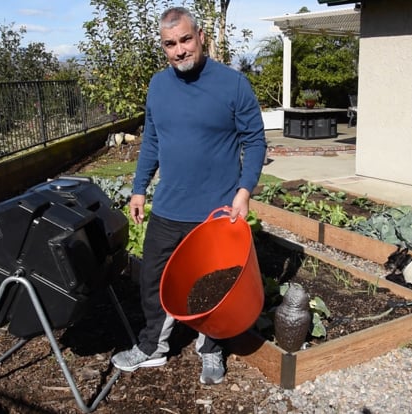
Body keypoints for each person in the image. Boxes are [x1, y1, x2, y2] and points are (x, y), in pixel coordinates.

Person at [111, 6, 266, 385]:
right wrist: (138, 189)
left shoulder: (233, 85)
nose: (179, 50)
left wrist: (244, 191)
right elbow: (153, 141)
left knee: (212, 286)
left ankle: (210, 349)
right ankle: (152, 347)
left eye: (184, 40)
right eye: (170, 44)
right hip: (168, 207)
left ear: (200, 37)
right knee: (153, 281)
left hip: (214, 211)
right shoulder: (157, 85)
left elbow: (256, 141)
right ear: (163, 47)